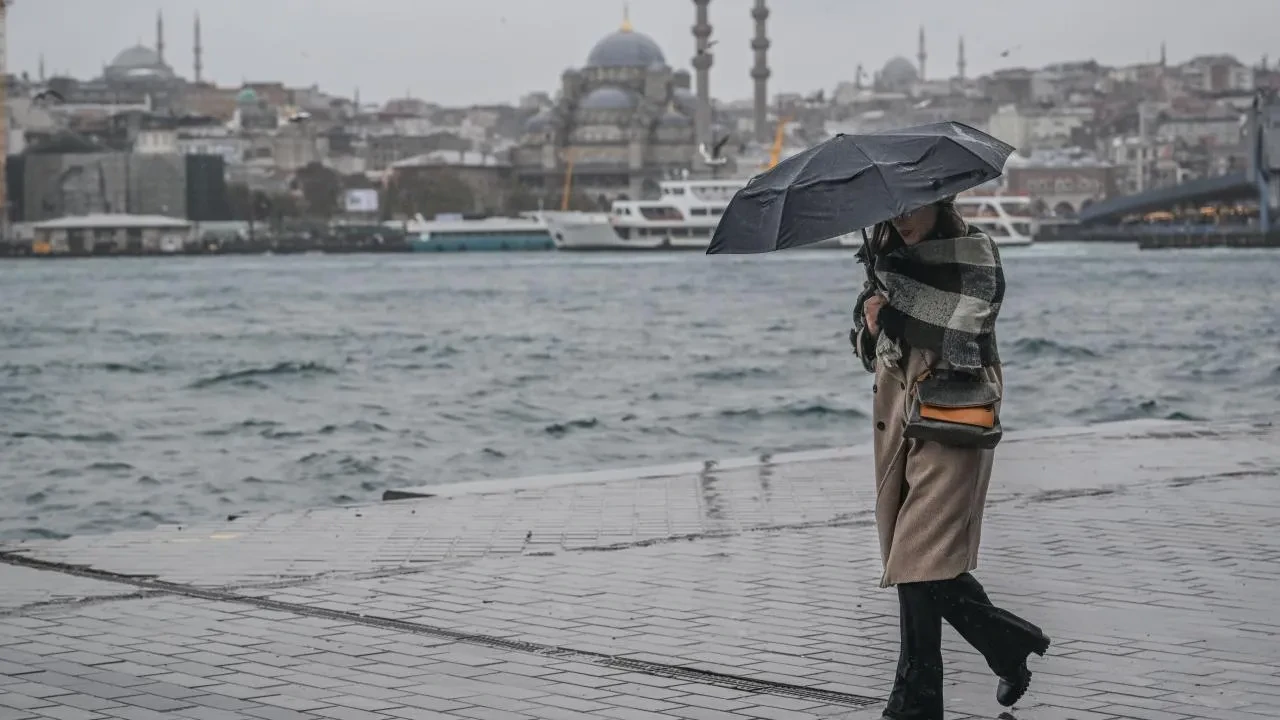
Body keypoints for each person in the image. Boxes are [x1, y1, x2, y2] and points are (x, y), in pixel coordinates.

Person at [850, 198, 1050, 720]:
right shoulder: (884, 262)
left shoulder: (974, 255)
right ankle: (1006, 646)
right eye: (892, 209)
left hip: (951, 418)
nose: (902, 218)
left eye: (913, 207)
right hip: (898, 424)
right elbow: (872, 350)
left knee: (916, 560)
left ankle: (915, 702)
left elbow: (965, 335)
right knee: (919, 563)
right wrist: (872, 327)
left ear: (941, 201)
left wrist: (890, 313)